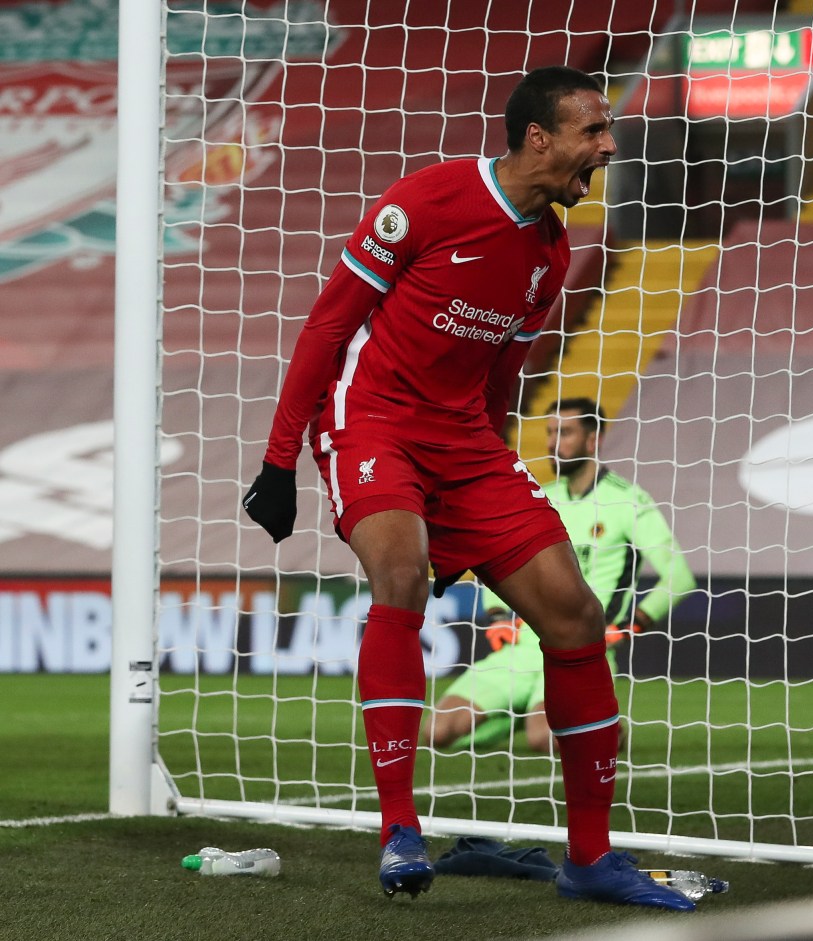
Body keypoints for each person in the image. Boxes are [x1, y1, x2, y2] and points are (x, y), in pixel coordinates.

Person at [242, 66, 692, 911]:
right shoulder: (426, 202)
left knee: (574, 614)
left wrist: (479, 471)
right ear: (538, 138)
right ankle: (399, 828)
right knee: (402, 577)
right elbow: (330, 322)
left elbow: (498, 376)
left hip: (464, 442)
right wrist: (278, 460)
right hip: (369, 418)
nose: (607, 144)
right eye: (593, 130)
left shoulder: (550, 252)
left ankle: (590, 858)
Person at [421, 397, 696, 755]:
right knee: (435, 732)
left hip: (582, 651)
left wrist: (632, 624)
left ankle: (606, 729)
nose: (553, 442)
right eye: (550, 432)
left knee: (545, 740)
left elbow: (679, 577)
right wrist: (498, 616)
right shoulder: (539, 497)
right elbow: (496, 558)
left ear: (592, 440)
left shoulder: (628, 502)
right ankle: (522, 714)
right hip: (521, 650)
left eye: (565, 433)